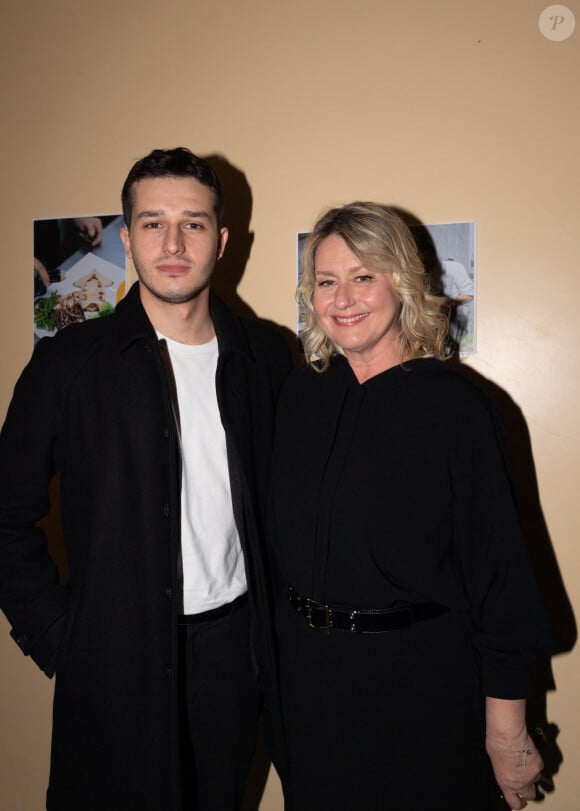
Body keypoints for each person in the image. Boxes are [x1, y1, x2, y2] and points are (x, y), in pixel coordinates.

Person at [0, 147, 292, 810]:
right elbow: (6, 516)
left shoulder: (266, 355)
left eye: (193, 222)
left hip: (232, 654)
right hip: (115, 655)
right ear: (127, 237)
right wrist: (60, 637)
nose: (173, 241)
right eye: (153, 222)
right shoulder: (69, 365)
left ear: (220, 240)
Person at [269, 202, 553, 810]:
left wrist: (507, 735)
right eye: (326, 281)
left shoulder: (458, 410)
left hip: (420, 687)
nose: (343, 297)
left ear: (401, 280)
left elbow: (499, 582)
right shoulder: (299, 394)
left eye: (363, 276)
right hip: (308, 687)